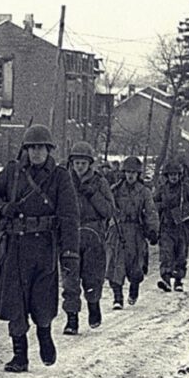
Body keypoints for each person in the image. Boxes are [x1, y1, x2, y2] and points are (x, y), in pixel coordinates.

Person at [0, 124, 80, 373]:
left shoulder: (60, 176)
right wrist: (3, 209)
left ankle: (45, 336)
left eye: (41, 148)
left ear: (49, 150)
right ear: (26, 149)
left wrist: (69, 252)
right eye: (32, 148)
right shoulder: (13, 172)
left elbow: (69, 216)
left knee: (43, 302)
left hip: (44, 247)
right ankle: (20, 355)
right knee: (14, 303)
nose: (36, 153)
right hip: (14, 246)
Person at [63, 141, 114, 334]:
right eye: (76, 162)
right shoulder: (65, 182)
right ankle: (72, 319)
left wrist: (93, 195)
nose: (79, 166)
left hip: (93, 236)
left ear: (90, 164)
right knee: (70, 279)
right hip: (70, 235)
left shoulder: (100, 183)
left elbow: (110, 210)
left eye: (83, 163)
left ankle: (93, 305)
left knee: (92, 277)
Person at [107, 156, 159, 309]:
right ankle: (117, 297)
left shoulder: (144, 192)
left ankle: (134, 288)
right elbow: (106, 208)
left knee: (136, 265)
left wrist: (153, 230)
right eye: (128, 172)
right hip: (118, 230)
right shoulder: (115, 190)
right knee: (115, 264)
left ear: (138, 174)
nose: (130, 175)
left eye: (133, 173)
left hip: (136, 232)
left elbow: (150, 211)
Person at [152, 160, 189, 293]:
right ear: (167, 176)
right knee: (166, 253)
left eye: (176, 174)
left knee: (180, 253)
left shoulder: (186, 188)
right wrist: (161, 208)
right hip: (166, 226)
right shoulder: (162, 189)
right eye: (171, 175)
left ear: (180, 175)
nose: (173, 177)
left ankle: (178, 280)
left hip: (182, 226)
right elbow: (152, 204)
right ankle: (166, 279)